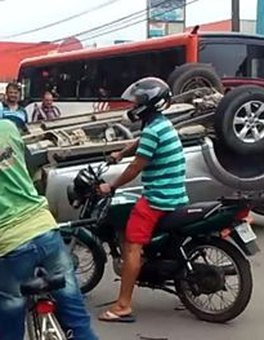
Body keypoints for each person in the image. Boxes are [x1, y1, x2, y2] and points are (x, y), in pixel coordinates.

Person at [98, 77, 189, 322]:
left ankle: (123, 305)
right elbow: (139, 144)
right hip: (175, 194)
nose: (133, 105)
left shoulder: (153, 130)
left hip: (159, 198)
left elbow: (135, 168)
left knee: (131, 245)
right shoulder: (161, 125)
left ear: (148, 105)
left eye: (137, 101)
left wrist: (111, 185)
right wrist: (119, 154)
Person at [0, 119, 99, 340]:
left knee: (10, 315)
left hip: (9, 243)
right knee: (77, 317)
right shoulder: (7, 128)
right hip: (44, 229)